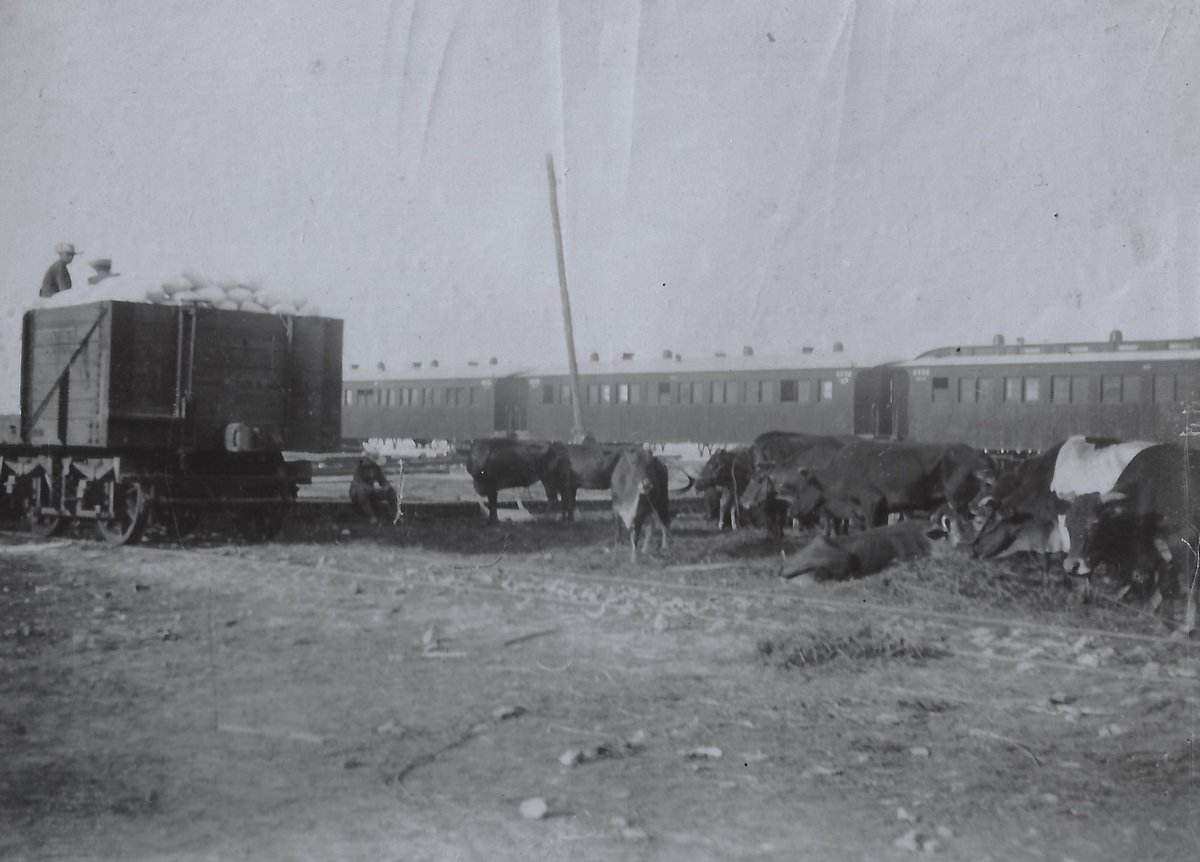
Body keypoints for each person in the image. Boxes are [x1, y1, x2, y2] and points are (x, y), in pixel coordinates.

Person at [349, 450, 400, 525]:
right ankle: (371, 516)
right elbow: (358, 482)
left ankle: (394, 515)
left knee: (391, 491)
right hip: (357, 491)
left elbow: (383, 481)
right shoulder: (359, 467)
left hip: (371, 490)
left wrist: (386, 487)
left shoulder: (376, 468)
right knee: (361, 492)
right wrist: (371, 489)